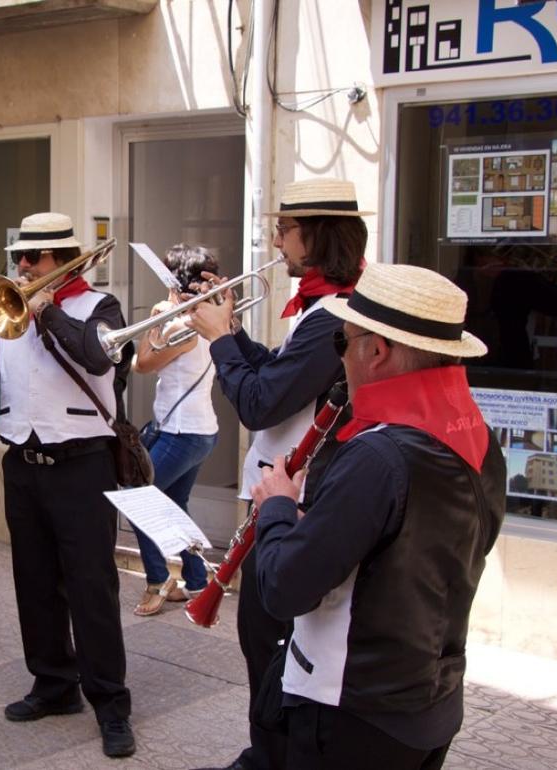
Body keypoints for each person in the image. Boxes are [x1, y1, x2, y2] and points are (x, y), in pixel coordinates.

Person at [250, 263, 505, 769]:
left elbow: (284, 588)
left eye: (342, 345)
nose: (341, 360)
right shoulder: (477, 436)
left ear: (376, 350)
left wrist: (276, 506)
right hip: (430, 698)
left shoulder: (378, 456)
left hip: (353, 710)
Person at [189, 178, 367, 770]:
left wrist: (218, 341)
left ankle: (272, 755)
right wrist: (234, 334)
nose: (276, 241)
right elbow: (285, 378)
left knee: (272, 646)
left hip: (296, 501)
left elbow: (262, 403)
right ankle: (267, 750)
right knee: (268, 643)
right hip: (287, 493)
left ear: (315, 235)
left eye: (285, 230)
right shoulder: (320, 307)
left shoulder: (334, 313)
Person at [0, 212, 136, 759]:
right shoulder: (6, 312)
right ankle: (54, 684)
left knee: (91, 587)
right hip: (23, 463)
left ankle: (111, 703)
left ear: (64, 260)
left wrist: (46, 309)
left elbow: (96, 355)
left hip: (82, 464)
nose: (23, 266)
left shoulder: (98, 307)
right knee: (34, 581)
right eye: (20, 259)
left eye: (35, 258)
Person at [129, 244, 220, 616]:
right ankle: (198, 581)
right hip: (196, 429)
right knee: (175, 505)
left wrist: (155, 318)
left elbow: (142, 363)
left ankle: (158, 579)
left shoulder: (183, 325)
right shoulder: (206, 317)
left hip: (182, 432)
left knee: (140, 501)